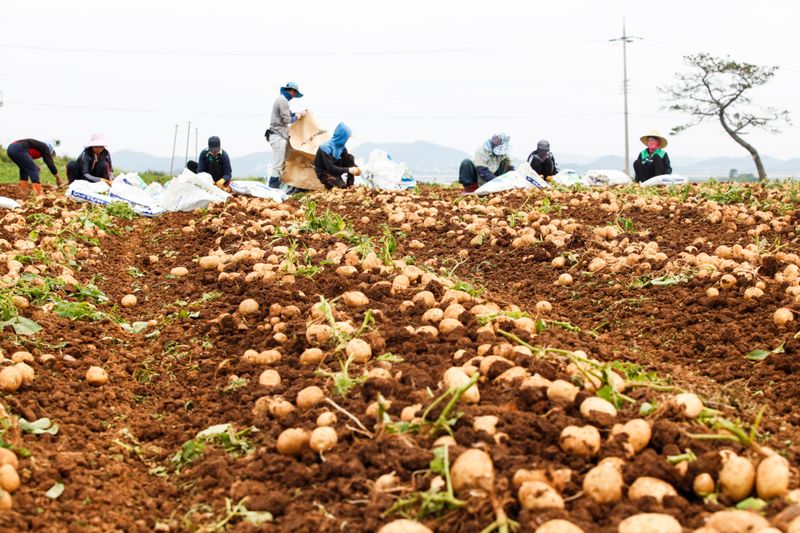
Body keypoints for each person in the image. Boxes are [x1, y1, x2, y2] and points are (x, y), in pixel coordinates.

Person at [266, 81, 303, 188]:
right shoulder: (283, 101)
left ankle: (278, 185)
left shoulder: (282, 100)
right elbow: (287, 119)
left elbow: (287, 114)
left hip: (279, 135)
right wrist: (298, 117)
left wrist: (298, 113)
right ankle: (273, 186)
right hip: (278, 135)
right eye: (295, 94)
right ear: (292, 91)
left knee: (282, 163)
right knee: (278, 164)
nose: (295, 96)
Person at [314, 122, 360, 189]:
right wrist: (349, 170)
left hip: (335, 169)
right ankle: (330, 183)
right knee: (342, 187)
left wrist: (355, 169)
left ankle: (350, 184)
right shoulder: (325, 147)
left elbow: (347, 160)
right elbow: (331, 168)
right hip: (325, 173)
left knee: (350, 157)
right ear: (342, 137)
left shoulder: (341, 147)